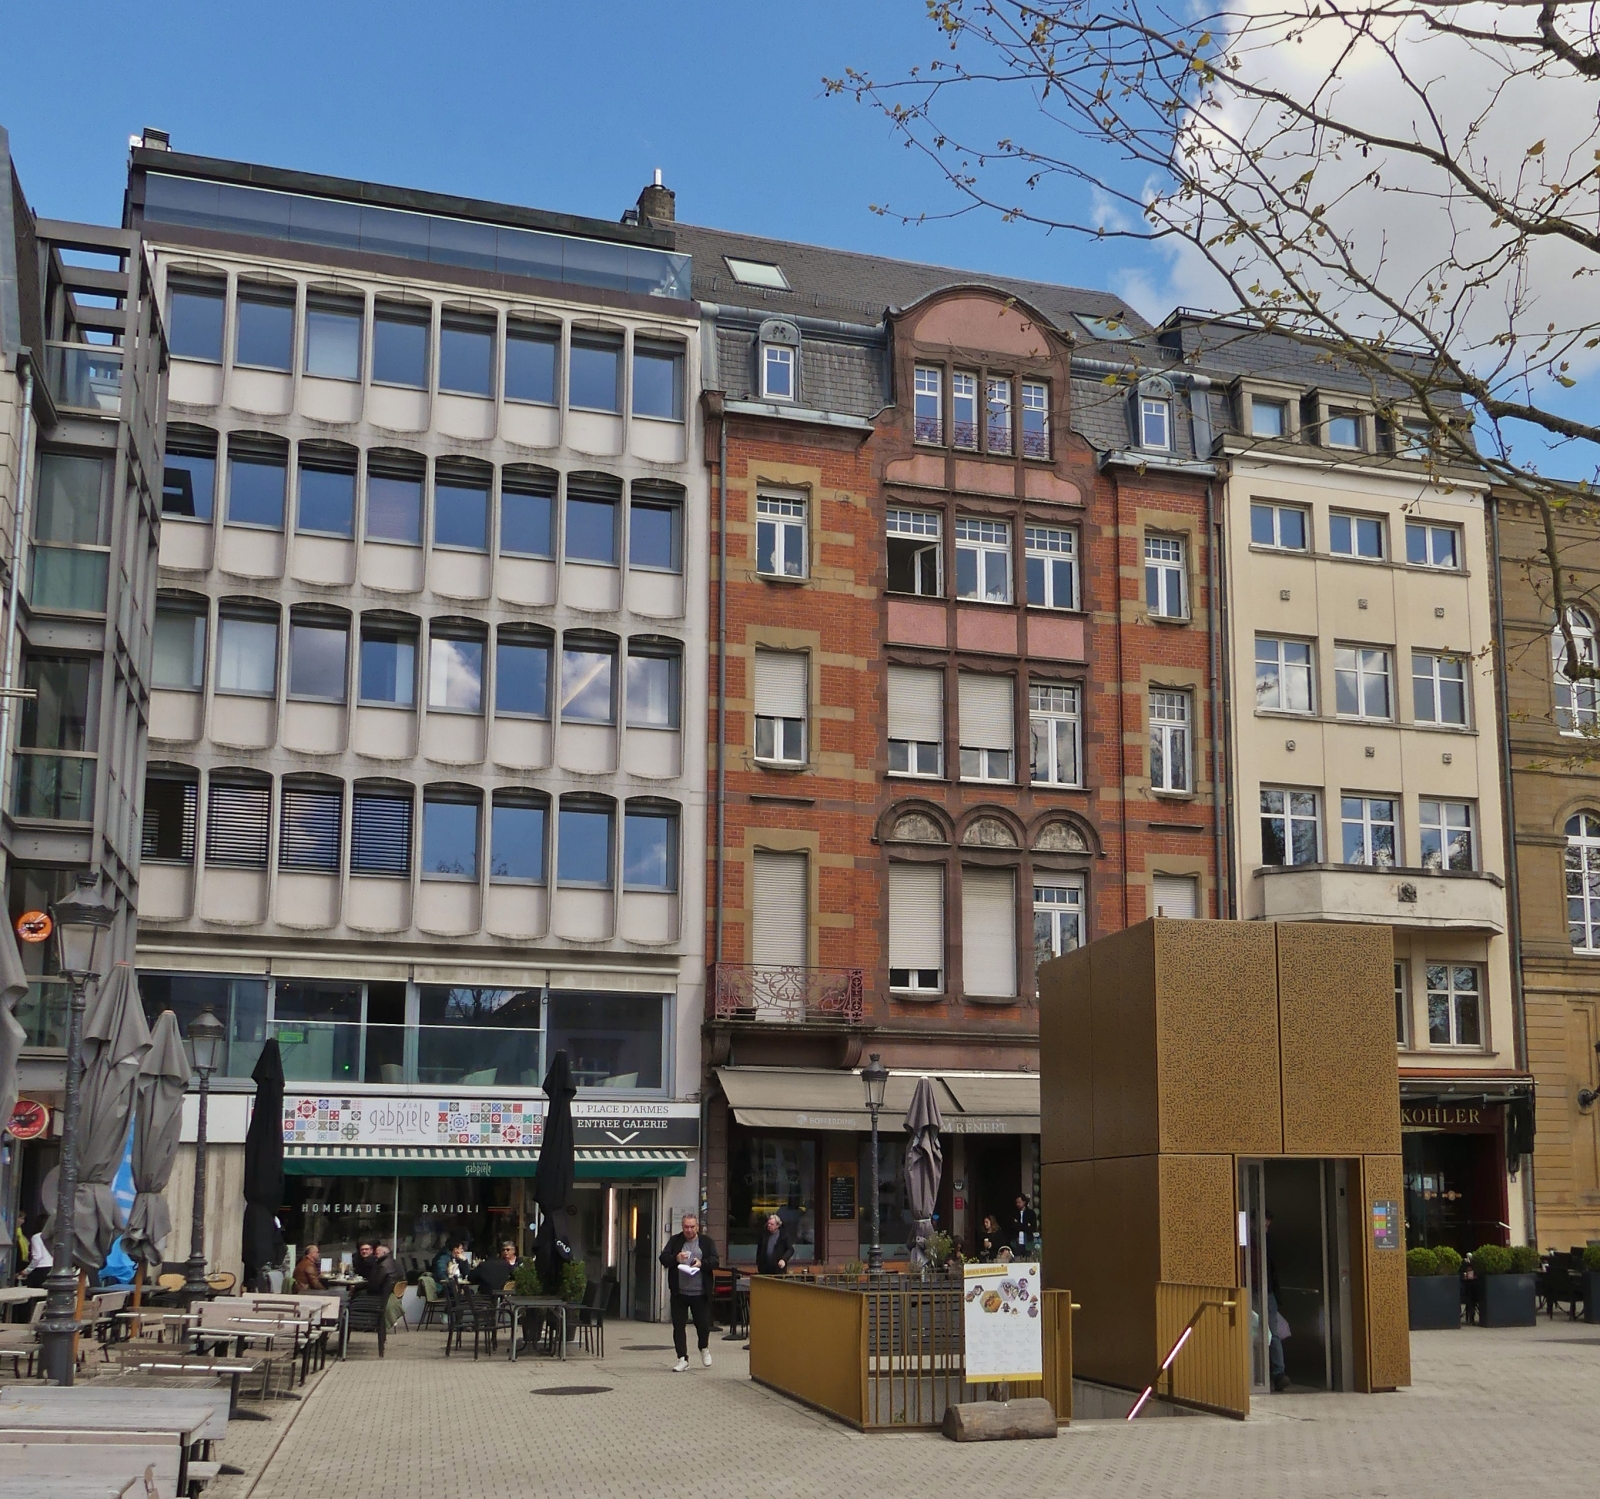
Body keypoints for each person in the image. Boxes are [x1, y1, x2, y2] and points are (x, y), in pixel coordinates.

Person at [659, 1212, 719, 1371]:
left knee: (703, 1325)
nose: (689, 1230)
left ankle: (704, 1347)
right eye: (686, 1227)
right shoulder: (675, 1241)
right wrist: (676, 1258)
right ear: (682, 1227)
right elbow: (663, 1258)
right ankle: (682, 1358)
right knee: (678, 1326)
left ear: (697, 1227)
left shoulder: (706, 1242)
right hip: (679, 1292)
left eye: (692, 1227)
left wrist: (701, 1263)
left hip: (700, 1292)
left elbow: (715, 1260)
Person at [1265, 1210, 1289, 1392]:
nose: (1265, 1229)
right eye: (1263, 1225)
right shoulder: (1249, 1242)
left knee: (1273, 1334)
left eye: (1268, 1226)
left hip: (1268, 1292)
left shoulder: (1268, 1242)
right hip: (1254, 1291)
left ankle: (1278, 1374)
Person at [22, 1214, 51, 1289]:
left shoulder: (36, 1237)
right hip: (53, 1268)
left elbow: (37, 1257)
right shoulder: (55, 1237)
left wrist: (27, 1271)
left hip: (40, 1269)